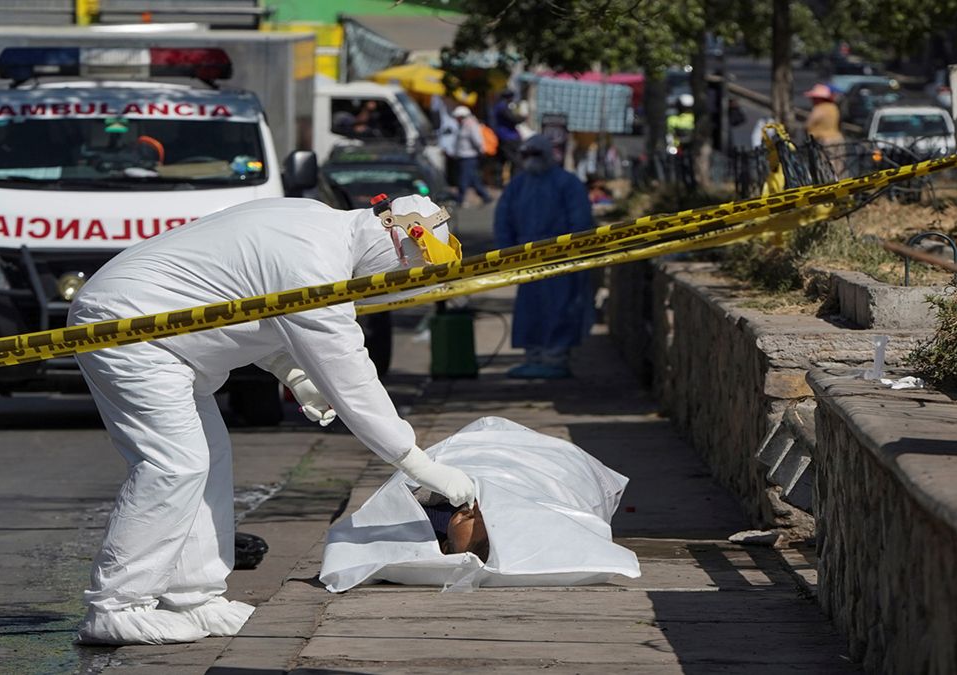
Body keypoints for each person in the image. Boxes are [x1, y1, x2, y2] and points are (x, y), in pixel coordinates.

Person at [67, 195, 474, 645]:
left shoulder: (313, 224)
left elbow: (244, 297)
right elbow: (349, 372)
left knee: (207, 459)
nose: (393, 286)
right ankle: (116, 606)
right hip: (127, 329)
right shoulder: (315, 263)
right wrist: (416, 461)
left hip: (158, 335)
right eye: (402, 275)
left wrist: (294, 372)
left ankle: (194, 596)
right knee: (175, 465)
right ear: (397, 243)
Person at [319, 416, 640, 593]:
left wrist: (422, 471)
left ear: (445, 546)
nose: (474, 509)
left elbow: (370, 539)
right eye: (488, 516)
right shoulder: (513, 512)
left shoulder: (430, 520)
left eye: (467, 520)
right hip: (525, 464)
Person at [493, 134, 593, 379]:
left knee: (560, 307)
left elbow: (580, 220)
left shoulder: (567, 183)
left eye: (535, 154)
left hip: (560, 257)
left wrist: (574, 253)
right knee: (531, 309)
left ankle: (556, 357)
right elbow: (503, 220)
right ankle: (534, 356)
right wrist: (507, 254)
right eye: (525, 155)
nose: (530, 160)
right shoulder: (518, 185)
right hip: (527, 257)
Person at [451, 105, 492, 207]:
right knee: (474, 179)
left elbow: (477, 140)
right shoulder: (462, 125)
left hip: (469, 157)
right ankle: (485, 196)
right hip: (463, 156)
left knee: (463, 179)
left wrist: (481, 152)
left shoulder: (471, 125)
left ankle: (460, 199)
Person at [489, 90, 523, 184]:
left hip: (503, 136)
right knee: (516, 161)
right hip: (508, 138)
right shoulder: (503, 106)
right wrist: (522, 118)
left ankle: (498, 181)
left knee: (501, 161)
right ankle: (514, 182)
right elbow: (512, 119)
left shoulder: (498, 106)